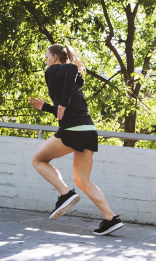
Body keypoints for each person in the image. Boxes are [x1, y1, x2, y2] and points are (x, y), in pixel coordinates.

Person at [29, 43, 123, 236]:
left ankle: (65, 193)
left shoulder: (55, 71)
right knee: (83, 179)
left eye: (47, 57)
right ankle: (110, 218)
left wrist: (61, 102)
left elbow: (71, 68)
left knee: (38, 160)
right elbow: (68, 106)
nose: (46, 62)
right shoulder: (71, 81)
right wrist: (47, 107)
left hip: (73, 129)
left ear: (55, 58)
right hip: (88, 129)